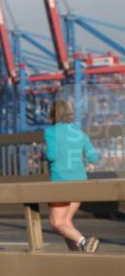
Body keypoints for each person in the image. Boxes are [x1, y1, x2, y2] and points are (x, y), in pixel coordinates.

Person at [45, 99, 101, 253]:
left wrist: (44, 155)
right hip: (80, 182)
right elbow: (93, 157)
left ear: (53, 114)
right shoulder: (79, 132)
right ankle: (76, 256)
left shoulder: (51, 132)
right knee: (66, 222)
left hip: (60, 182)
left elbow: (51, 156)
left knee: (56, 223)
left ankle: (84, 241)